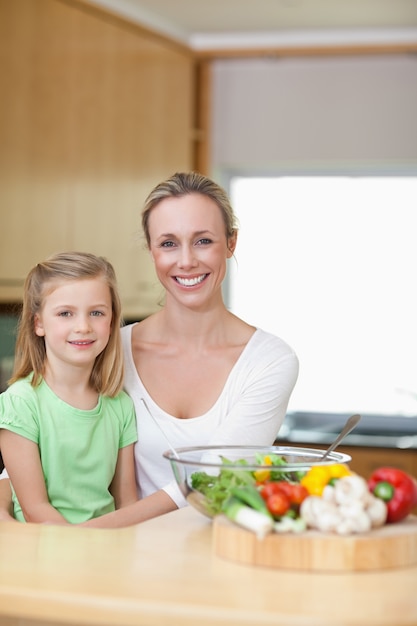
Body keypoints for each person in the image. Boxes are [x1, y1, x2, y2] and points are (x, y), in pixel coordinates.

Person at [0, 172, 299, 528]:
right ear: (151, 250)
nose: (186, 261)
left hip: (212, 554)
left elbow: (214, 479)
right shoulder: (109, 350)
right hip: (123, 559)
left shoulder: (269, 362)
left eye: (203, 240)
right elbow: (42, 449)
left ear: (231, 243)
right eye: (168, 243)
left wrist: (84, 537)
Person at [0, 252, 138, 524]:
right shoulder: (20, 402)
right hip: (44, 554)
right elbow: (35, 509)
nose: (83, 327)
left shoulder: (120, 404)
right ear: (38, 323)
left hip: (107, 549)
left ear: (111, 322)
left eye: (96, 312)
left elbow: (127, 502)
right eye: (65, 313)